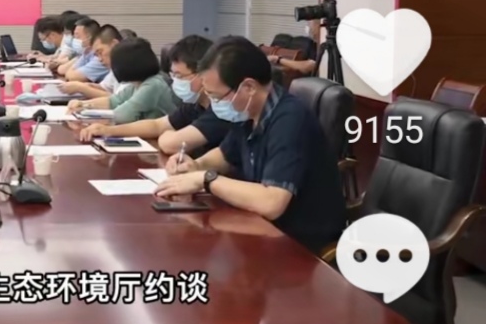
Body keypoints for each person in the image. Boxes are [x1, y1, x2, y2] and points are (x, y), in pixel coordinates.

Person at [156, 36, 346, 254]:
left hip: (299, 243)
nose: (214, 103)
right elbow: (225, 155)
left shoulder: (290, 119)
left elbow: (272, 203)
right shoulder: (248, 112)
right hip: (260, 227)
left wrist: (206, 179)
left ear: (248, 87)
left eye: (216, 96)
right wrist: (194, 165)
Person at [70, 38, 177, 139]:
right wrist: (83, 105)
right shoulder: (137, 83)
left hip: (158, 139)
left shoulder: (154, 85)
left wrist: (100, 127)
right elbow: (114, 101)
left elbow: (122, 115)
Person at [152, 36, 233, 155]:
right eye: (173, 75)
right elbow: (157, 125)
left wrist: (167, 134)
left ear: (202, 75)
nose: (175, 81)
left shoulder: (222, 111)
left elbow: (171, 145)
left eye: (179, 76)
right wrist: (118, 130)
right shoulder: (194, 104)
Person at [61, 18, 109, 82]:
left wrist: (70, 72)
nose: (74, 40)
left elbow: (73, 77)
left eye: (77, 37)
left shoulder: (101, 57)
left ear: (90, 37)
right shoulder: (87, 52)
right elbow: (62, 70)